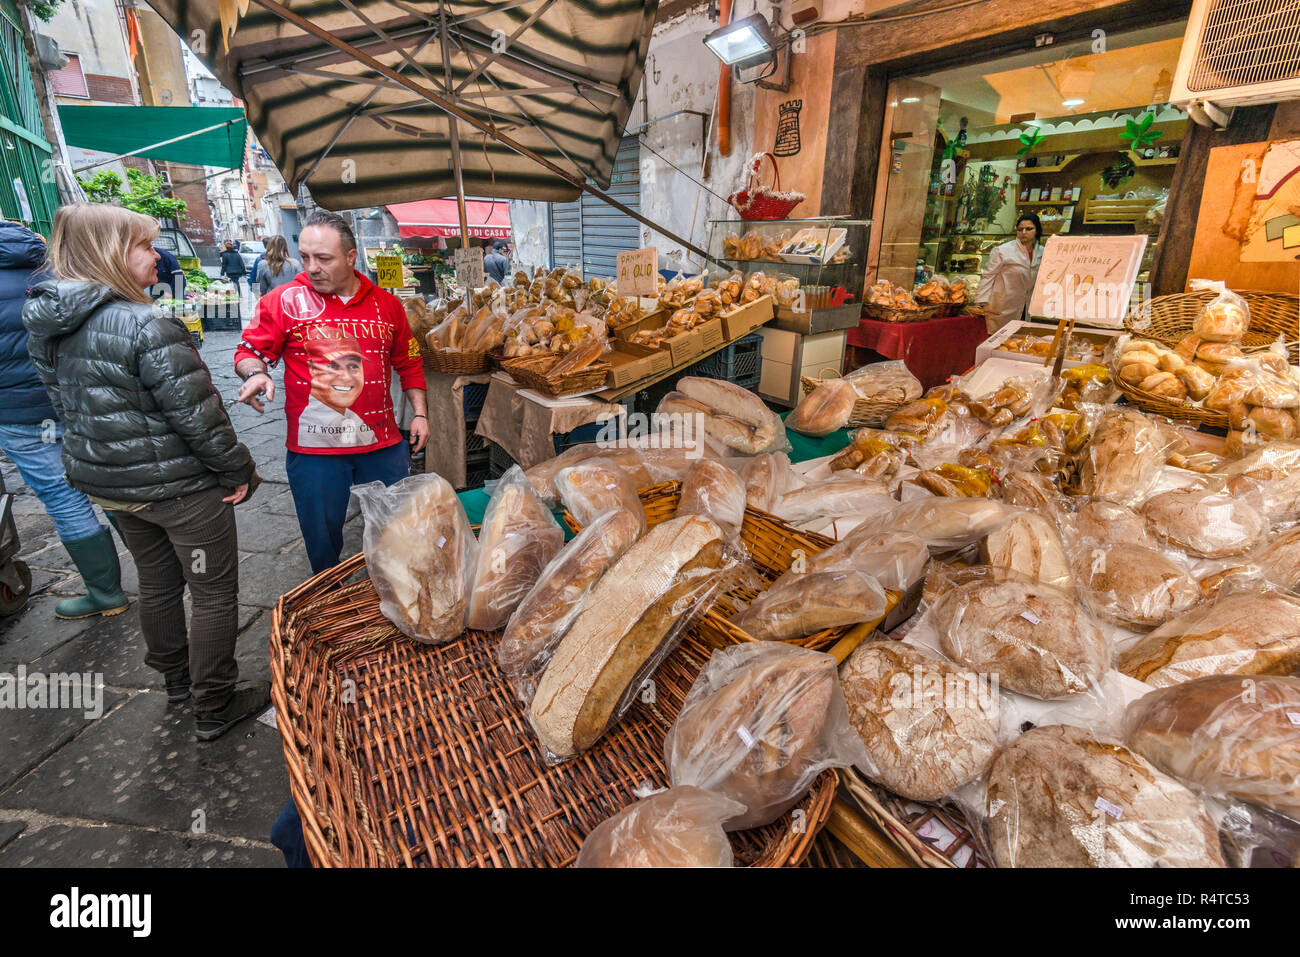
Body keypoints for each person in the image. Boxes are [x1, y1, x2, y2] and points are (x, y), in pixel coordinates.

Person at [24, 204, 265, 742]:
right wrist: (239, 471)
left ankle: (178, 681)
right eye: (143, 245)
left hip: (112, 487)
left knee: (156, 582)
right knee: (212, 592)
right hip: (180, 491)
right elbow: (200, 417)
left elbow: (64, 406)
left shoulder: (47, 325)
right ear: (109, 253)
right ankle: (216, 702)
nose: (156, 255)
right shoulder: (148, 324)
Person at [233, 210, 428, 574]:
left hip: (382, 444)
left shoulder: (388, 305)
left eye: (324, 258)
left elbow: (409, 361)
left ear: (351, 258)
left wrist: (419, 413)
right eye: (305, 257)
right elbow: (248, 352)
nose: (312, 267)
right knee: (322, 540)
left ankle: (396, 592)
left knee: (397, 531)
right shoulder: (282, 301)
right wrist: (257, 373)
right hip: (315, 451)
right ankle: (328, 598)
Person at [0, 219, 127, 620]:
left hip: (18, 414)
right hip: (75, 399)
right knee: (113, 483)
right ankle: (163, 573)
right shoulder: (60, 269)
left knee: (62, 497)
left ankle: (106, 593)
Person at [974, 213, 1043, 334]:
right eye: (1020, 229)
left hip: (1026, 307)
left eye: (1029, 228)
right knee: (997, 340)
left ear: (1037, 230)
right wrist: (981, 302)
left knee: (1017, 340)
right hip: (1002, 305)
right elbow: (988, 276)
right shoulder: (1003, 251)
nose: (1024, 232)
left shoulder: (1043, 252)